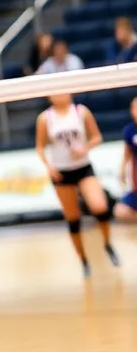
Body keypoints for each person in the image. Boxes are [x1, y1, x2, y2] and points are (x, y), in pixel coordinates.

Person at [34, 94, 119, 275]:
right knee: (73, 218)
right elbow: (40, 147)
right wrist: (48, 167)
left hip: (83, 168)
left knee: (100, 207)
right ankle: (84, 261)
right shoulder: (45, 118)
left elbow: (96, 137)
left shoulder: (81, 111)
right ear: (49, 97)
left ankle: (107, 244)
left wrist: (84, 149)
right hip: (61, 172)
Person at [115, 97, 137, 224]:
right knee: (120, 211)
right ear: (132, 110)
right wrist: (122, 170)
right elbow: (126, 153)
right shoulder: (129, 130)